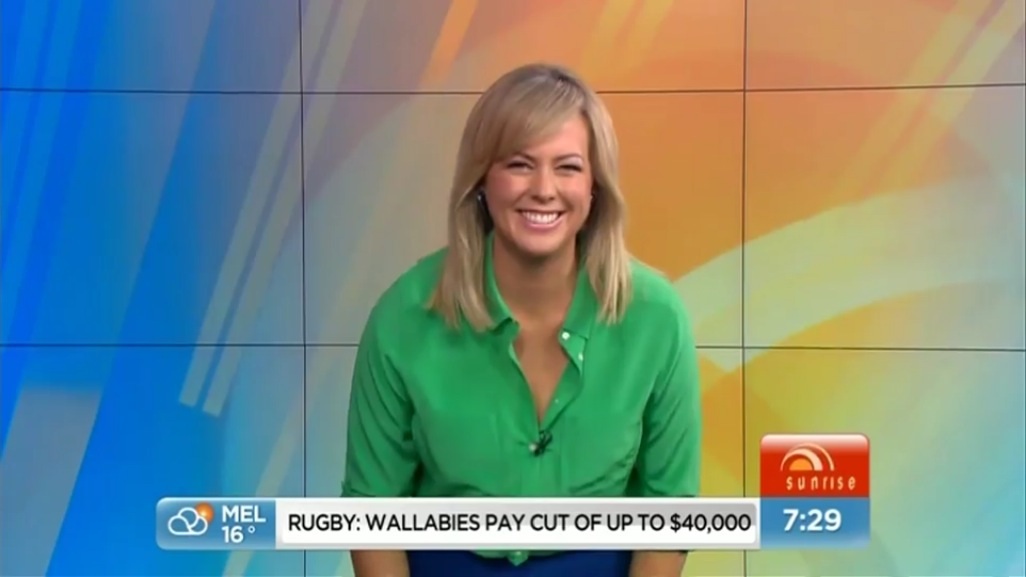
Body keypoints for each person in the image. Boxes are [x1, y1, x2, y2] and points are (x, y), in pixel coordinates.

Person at [343, 63, 702, 577]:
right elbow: (370, 510)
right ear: (482, 181)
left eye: (568, 167)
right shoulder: (405, 316)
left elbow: (670, 509)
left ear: (595, 186)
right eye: (519, 164)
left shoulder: (657, 318)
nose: (543, 189)